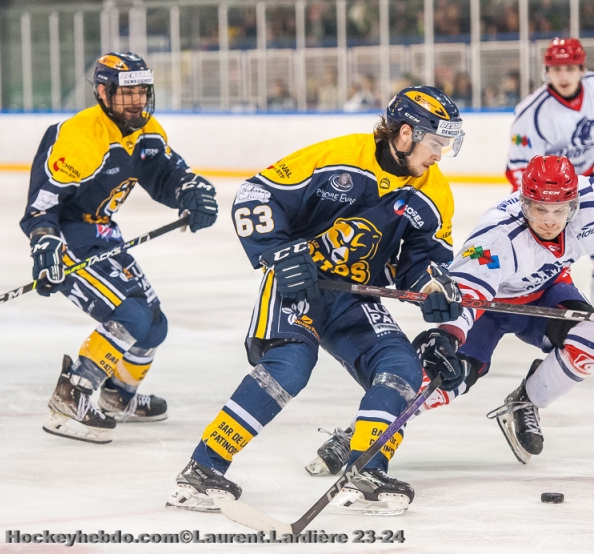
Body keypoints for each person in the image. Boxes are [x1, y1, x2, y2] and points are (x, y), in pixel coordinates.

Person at [307, 154, 594, 471]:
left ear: (574, 203)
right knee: (438, 381)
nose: (548, 218)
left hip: (545, 295)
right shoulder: (496, 239)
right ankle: (360, 434)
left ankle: (524, 402)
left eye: (559, 209)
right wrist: (446, 337)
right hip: (488, 306)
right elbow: (465, 293)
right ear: (524, 202)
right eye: (538, 208)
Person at [165, 86, 466, 516]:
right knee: (289, 367)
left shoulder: (435, 194)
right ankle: (203, 468)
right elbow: (256, 195)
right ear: (405, 134)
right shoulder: (337, 158)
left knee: (402, 367)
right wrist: (280, 253)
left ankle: (366, 470)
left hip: (354, 298)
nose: (440, 154)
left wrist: (433, 289)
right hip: (298, 285)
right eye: (436, 143)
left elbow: (423, 261)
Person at [20, 52, 218, 445]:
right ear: (102, 92)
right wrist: (44, 243)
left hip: (105, 233)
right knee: (131, 316)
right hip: (68, 236)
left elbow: (165, 174)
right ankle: (71, 396)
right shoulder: (79, 137)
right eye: (127, 94)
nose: (137, 101)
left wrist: (189, 191)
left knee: (153, 326)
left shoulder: (147, 131)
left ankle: (117, 396)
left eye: (142, 92)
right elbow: (42, 207)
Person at [505, 37, 594, 370]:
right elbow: (518, 169)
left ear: (582, 69)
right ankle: (562, 332)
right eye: (557, 69)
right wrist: (540, 212)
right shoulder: (531, 113)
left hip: (586, 190)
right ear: (546, 72)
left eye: (570, 68)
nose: (564, 76)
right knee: (552, 271)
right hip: (547, 202)